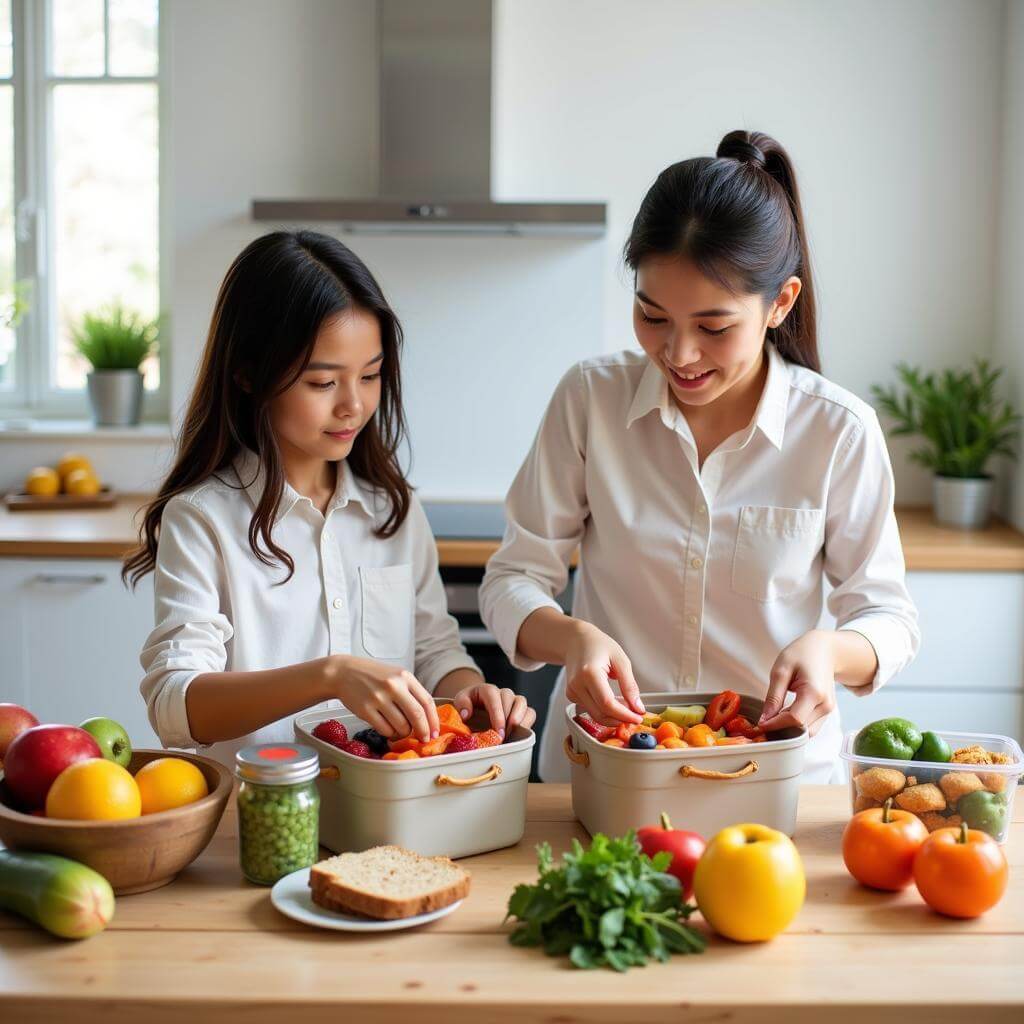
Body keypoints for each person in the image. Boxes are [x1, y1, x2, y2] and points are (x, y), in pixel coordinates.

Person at [480, 129, 919, 783]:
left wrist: (830, 650)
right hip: (607, 769)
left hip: (773, 776)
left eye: (713, 327)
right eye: (652, 316)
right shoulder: (590, 401)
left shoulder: (838, 431)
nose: (679, 355)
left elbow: (887, 615)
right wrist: (573, 637)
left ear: (781, 304)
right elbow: (512, 577)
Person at [125, 230, 535, 767]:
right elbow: (176, 707)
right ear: (249, 374)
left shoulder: (393, 510)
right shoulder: (201, 520)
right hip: (263, 819)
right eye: (322, 383)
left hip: (387, 812)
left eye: (370, 376)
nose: (354, 406)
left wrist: (470, 691)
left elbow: (434, 651)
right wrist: (329, 676)